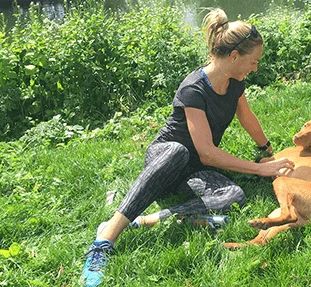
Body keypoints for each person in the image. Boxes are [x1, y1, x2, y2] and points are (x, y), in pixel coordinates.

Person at [79, 8, 295, 287]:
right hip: (166, 159)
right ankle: (106, 238)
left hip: (194, 170)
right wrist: (259, 169)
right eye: (253, 61)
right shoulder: (193, 89)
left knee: (234, 195)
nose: (255, 68)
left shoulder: (234, 83)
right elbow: (206, 152)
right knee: (178, 152)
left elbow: (245, 116)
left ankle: (144, 221)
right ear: (233, 56)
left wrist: (266, 149)